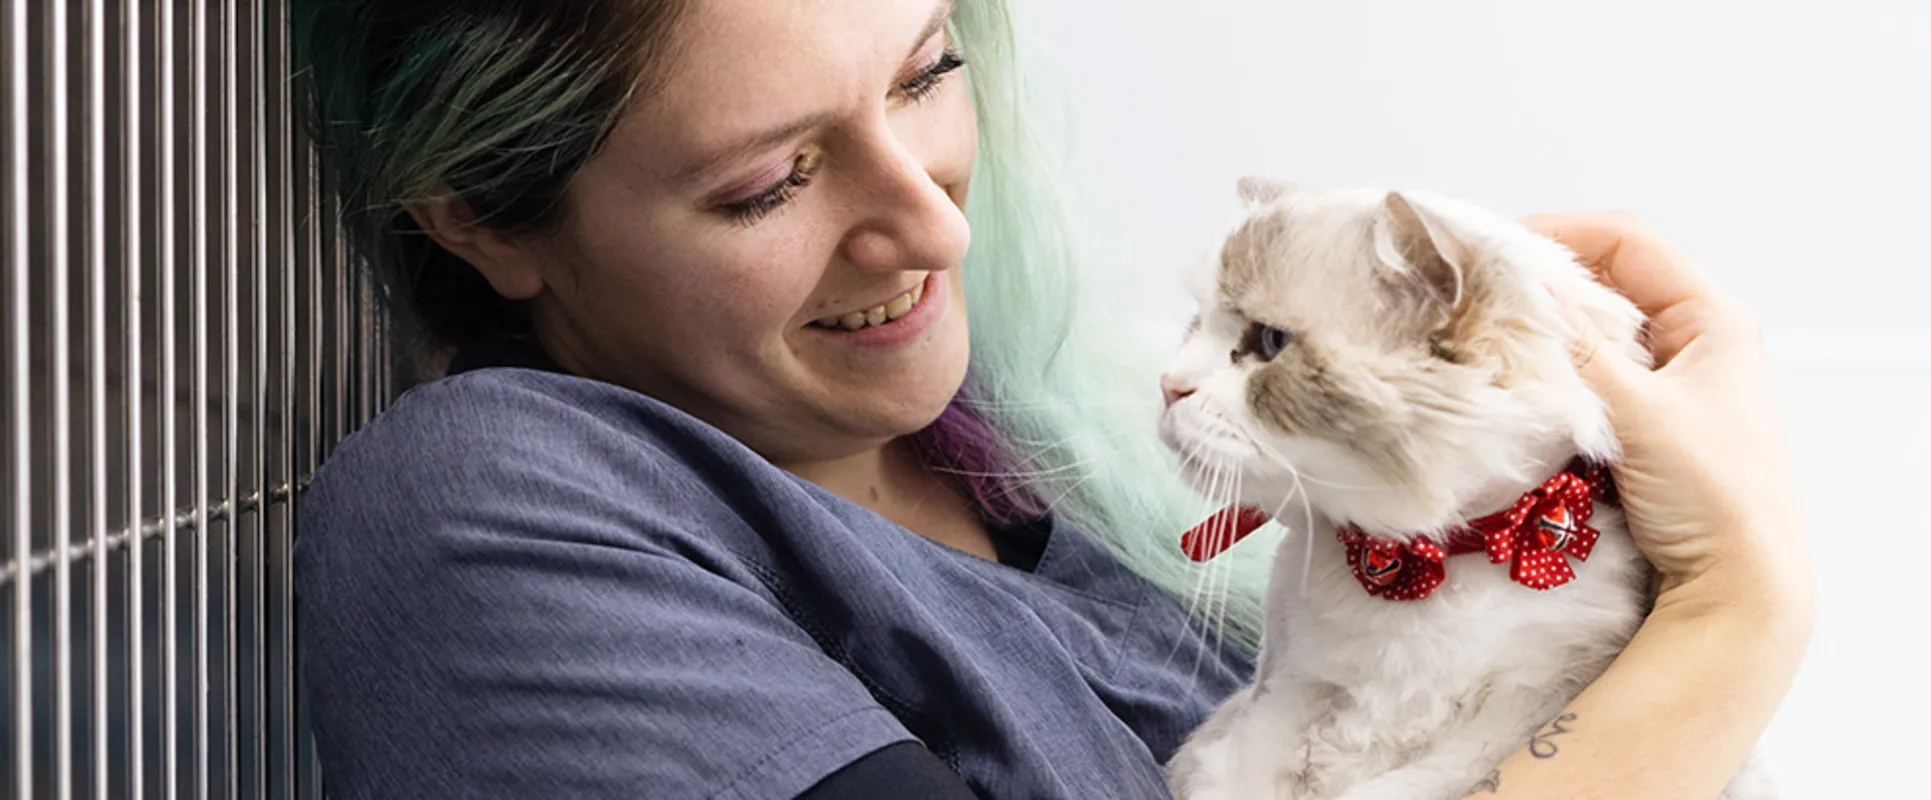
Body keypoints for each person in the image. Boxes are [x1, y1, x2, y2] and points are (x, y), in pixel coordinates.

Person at [288, 0, 1813, 798]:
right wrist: (1732, 625)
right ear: (477, 218)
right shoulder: (489, 515)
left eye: (924, 70)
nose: (940, 226)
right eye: (769, 183)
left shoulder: (1023, 452)